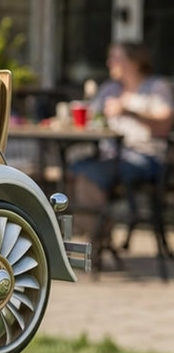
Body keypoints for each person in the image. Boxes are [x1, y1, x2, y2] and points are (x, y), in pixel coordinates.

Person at [72, 42, 173, 220]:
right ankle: (99, 234)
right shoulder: (110, 89)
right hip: (110, 154)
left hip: (145, 157)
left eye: (116, 58)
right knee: (71, 171)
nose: (109, 63)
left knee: (87, 175)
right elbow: (91, 116)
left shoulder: (156, 87)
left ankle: (99, 236)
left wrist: (128, 111)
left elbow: (165, 121)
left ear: (135, 61)